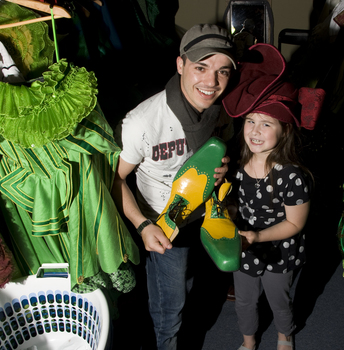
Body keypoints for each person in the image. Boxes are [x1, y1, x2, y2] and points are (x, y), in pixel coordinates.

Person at [111, 24, 236, 350]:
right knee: (171, 304)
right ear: (180, 64)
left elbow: (223, 149)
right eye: (201, 67)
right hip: (163, 224)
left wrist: (222, 170)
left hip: (207, 215)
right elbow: (114, 178)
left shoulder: (221, 110)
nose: (211, 82)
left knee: (209, 284)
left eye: (222, 71)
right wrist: (142, 226)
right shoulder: (142, 122)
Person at [222, 43, 325, 350]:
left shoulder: (290, 175)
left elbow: (294, 224)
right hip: (245, 246)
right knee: (244, 300)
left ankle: (285, 336)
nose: (255, 130)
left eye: (266, 123)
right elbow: (235, 204)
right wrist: (225, 211)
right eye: (250, 121)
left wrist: (258, 235)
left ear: (284, 131)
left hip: (280, 249)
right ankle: (249, 341)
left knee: (279, 301)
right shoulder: (238, 167)